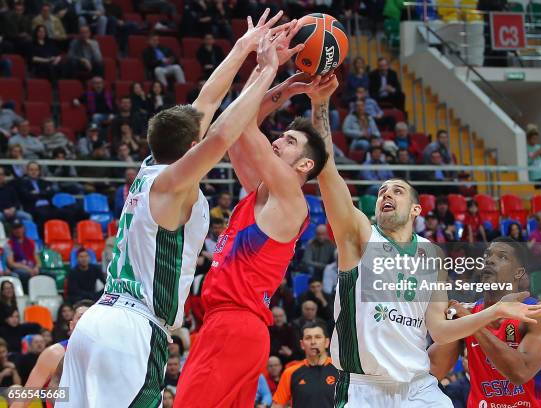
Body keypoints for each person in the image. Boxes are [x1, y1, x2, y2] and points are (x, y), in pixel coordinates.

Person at [57, 10, 286, 407]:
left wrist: (243, 47)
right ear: (191, 149)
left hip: (97, 320)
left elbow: (206, 103)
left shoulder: (151, 167)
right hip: (132, 330)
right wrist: (267, 71)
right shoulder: (173, 183)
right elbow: (219, 135)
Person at [307, 76, 541, 407]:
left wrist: (496, 312)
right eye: (381, 192)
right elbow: (328, 172)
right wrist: (320, 104)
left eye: (397, 190)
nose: (386, 194)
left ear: (416, 209)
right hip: (364, 388)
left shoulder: (430, 256)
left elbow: (442, 330)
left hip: (417, 387)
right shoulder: (360, 236)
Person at [175, 14, 324, 407]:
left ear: (305, 166)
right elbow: (240, 127)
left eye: (289, 141)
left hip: (234, 326)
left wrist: (266, 70)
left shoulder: (292, 201)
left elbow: (240, 125)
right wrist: (280, 84)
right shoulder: (259, 193)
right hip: (231, 327)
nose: (279, 140)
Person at [428, 238, 541, 408]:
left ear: (518, 272)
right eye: (487, 255)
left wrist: (471, 323)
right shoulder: (467, 314)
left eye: (502, 257)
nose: (489, 260)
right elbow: (433, 370)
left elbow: (520, 372)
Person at [11, 300, 91, 408]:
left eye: (90, 317)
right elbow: (26, 396)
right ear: (71, 325)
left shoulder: (111, 354)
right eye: (81, 316)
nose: (86, 321)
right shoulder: (54, 354)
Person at [272, 322, 338, 408]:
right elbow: (277, 405)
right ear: (302, 344)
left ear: (327, 342)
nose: (313, 342)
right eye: (308, 338)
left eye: (318, 337)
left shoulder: (339, 370)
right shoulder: (291, 372)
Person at [6, 220, 40, 290]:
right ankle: (27, 293)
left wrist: (36, 268)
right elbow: (11, 263)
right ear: (12, 230)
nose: (18, 230)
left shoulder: (32, 243)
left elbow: (38, 261)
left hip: (32, 267)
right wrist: (26, 268)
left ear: (23, 228)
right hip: (19, 269)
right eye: (15, 228)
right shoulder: (9, 244)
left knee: (49, 274)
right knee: (24, 274)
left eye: (19, 228)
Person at [526, 125, 541, 194]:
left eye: (536, 139)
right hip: (534, 176)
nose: (535, 141)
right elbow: (528, 162)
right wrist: (536, 154)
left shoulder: (538, 146)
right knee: (537, 195)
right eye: (533, 139)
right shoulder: (526, 148)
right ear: (529, 139)